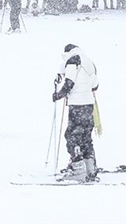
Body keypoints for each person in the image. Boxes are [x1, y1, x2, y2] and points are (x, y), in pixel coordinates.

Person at [53, 44, 100, 182]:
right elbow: (95, 85)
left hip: (77, 105)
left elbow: (69, 82)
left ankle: (78, 169)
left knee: (72, 136)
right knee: (85, 136)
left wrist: (58, 95)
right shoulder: (89, 62)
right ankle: (90, 168)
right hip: (89, 105)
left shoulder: (72, 60)